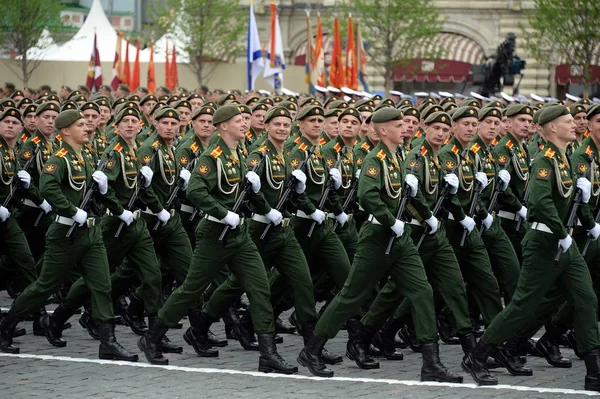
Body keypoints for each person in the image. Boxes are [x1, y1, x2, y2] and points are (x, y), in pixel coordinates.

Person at [298, 107, 462, 383]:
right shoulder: (376, 159)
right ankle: (311, 349)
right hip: (378, 237)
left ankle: (431, 363)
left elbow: (408, 195)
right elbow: (368, 195)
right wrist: (390, 221)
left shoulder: (398, 157)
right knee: (351, 295)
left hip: (401, 240)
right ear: (383, 130)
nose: (405, 129)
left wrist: (428, 216)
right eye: (398, 126)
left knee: (421, 292)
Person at [138, 105, 297, 375]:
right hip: (215, 234)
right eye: (239, 120)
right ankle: (151, 338)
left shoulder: (241, 153)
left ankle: (268, 354)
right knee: (190, 289)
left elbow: (244, 193)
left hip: (240, 235)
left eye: (246, 120)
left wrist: (266, 208)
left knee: (260, 289)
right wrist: (223, 214)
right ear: (223, 126)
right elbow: (196, 191)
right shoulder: (212, 157)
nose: (245, 124)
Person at [462, 105, 600, 392]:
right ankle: (477, 356)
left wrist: (588, 221)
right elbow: (540, 202)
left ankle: (593, 369)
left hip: (566, 242)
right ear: (551, 127)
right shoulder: (544, 161)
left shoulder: (564, 158)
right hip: (545, 242)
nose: (574, 124)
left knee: (586, 299)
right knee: (522, 305)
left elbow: (572, 201)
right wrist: (563, 233)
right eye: (567, 121)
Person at [0, 109, 138, 362]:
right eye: (81, 125)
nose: (87, 128)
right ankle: (6, 326)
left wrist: (112, 201)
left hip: (91, 232)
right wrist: (72, 211)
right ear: (65, 131)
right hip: (66, 232)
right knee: (45, 285)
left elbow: (94, 191)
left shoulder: (84, 155)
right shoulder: (59, 159)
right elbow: (48, 188)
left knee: (102, 285)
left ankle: (108, 342)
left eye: (87, 124)